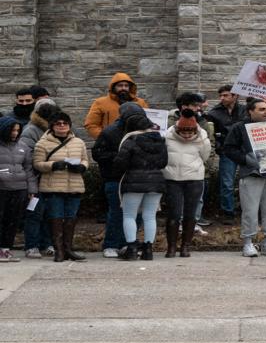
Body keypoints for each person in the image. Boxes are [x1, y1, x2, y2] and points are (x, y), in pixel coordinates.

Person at [223, 98, 266, 258]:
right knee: (250, 210)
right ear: (250, 111)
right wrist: (246, 160)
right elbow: (229, 149)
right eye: (261, 109)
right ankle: (248, 243)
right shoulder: (240, 128)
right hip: (251, 174)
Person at [92, 98, 147, 257]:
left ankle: (128, 243)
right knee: (116, 212)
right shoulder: (109, 132)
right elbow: (98, 154)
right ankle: (111, 244)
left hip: (137, 178)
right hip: (115, 178)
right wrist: (121, 157)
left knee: (136, 213)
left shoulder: (143, 131)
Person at [32, 112, 88, 262]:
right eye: (58, 123)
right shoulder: (42, 143)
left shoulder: (79, 142)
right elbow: (37, 164)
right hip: (53, 187)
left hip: (74, 185)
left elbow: (85, 160)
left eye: (65, 123)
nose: (62, 126)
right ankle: (59, 250)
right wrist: (53, 165)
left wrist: (82, 167)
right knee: (55, 218)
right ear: (52, 126)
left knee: (71, 218)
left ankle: (68, 248)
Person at [113, 110, 167, 261]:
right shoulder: (160, 141)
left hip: (133, 181)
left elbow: (120, 163)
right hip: (156, 181)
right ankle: (148, 250)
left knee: (129, 215)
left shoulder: (130, 141)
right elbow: (164, 163)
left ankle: (131, 249)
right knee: (150, 216)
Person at [161, 105, 213, 258]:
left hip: (194, 179)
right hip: (172, 179)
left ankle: (185, 247)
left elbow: (205, 156)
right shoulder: (167, 136)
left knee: (190, 214)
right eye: (183, 131)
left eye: (190, 132)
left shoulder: (203, 137)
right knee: (174, 214)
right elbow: (163, 155)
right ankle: (171, 247)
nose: (187, 135)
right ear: (177, 129)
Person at [205, 85, 244, 222]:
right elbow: (211, 134)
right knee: (227, 183)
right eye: (220, 95)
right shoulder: (214, 113)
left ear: (235, 96)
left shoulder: (245, 110)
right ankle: (228, 213)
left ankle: (250, 212)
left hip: (245, 151)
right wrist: (220, 149)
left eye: (226, 95)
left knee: (249, 182)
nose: (222, 98)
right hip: (227, 152)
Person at [0, 120, 36, 262]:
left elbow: (28, 169)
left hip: (19, 188)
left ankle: (6, 249)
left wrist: (32, 189)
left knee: (12, 220)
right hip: (2, 188)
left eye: (17, 130)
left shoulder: (23, 146)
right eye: (12, 130)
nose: (14, 133)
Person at [85, 72, 149, 140]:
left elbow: (149, 123)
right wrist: (105, 138)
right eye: (120, 85)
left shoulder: (141, 103)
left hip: (135, 144)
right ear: (113, 87)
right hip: (110, 145)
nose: (123, 88)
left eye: (126, 86)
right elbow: (91, 124)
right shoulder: (100, 102)